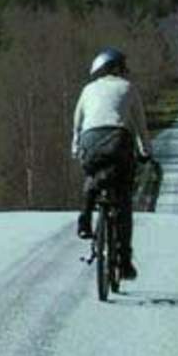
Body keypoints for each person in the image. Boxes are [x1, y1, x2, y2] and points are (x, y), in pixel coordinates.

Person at [72, 47, 151, 281]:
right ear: (117, 69)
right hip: (119, 142)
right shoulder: (128, 88)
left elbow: (77, 123)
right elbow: (140, 127)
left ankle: (85, 219)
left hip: (90, 142)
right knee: (123, 199)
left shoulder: (87, 90)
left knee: (93, 176)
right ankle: (124, 262)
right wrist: (146, 152)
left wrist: (76, 148)